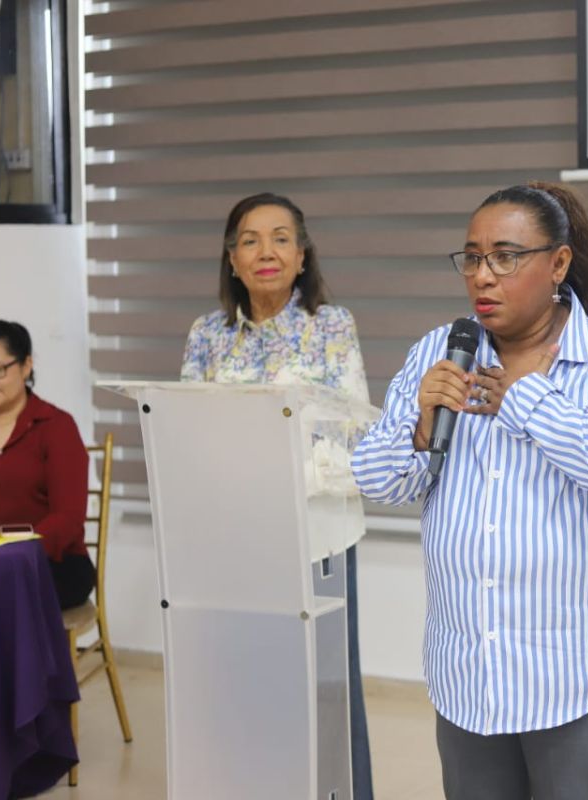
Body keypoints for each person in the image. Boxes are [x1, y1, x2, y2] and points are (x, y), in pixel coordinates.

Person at [352, 182, 588, 800]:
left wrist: (527, 400)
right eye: (472, 258)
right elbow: (375, 479)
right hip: (469, 668)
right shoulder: (440, 352)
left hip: (576, 671)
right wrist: (421, 427)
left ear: (559, 263)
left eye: (505, 257)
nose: (483, 276)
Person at [180, 191, 374, 799]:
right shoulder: (208, 334)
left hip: (317, 535)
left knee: (325, 687)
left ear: (302, 255)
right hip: (234, 541)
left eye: (281, 238)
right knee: (242, 685)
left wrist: (261, 468)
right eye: (250, 240)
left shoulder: (331, 326)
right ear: (231, 258)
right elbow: (189, 435)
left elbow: (352, 433)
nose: (266, 251)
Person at [0, 320, 94, 610]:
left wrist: (14, 549)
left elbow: (68, 518)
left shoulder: (56, 426)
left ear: (25, 366)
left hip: (51, 562)